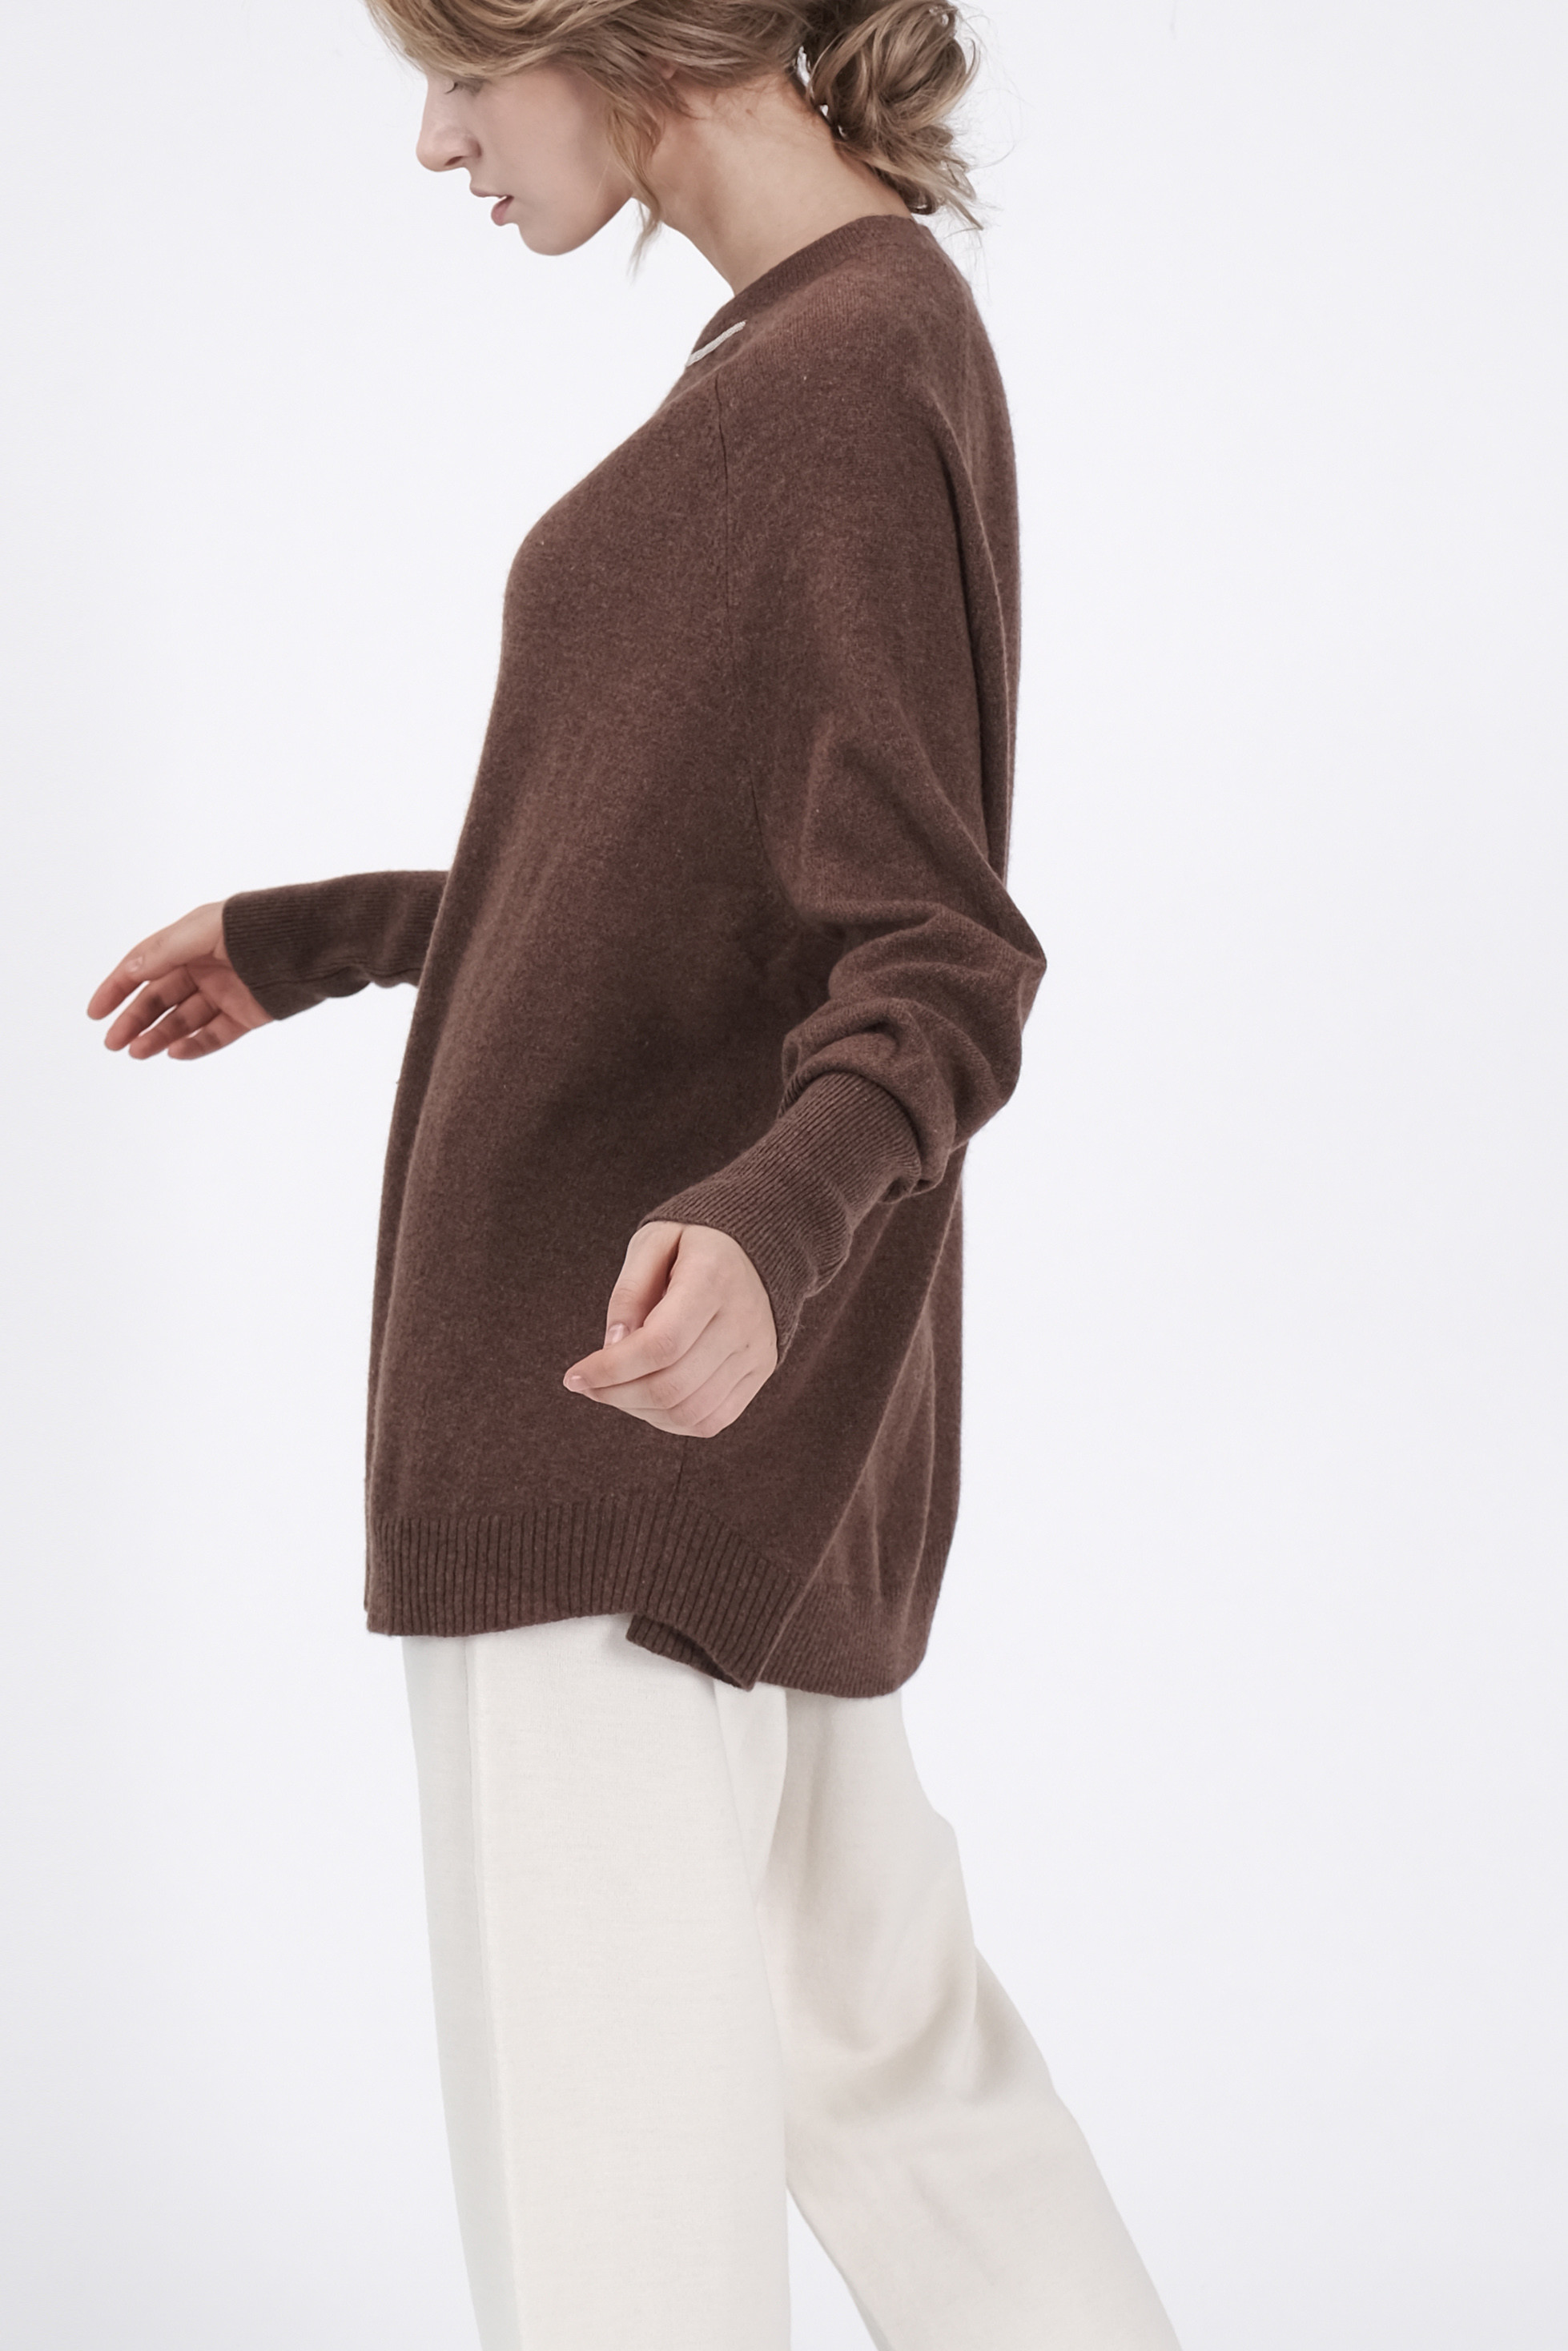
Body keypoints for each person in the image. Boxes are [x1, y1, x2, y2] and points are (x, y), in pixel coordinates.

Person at [87, 4, 1181, 2345]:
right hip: (726, 1429)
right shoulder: (839, 338)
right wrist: (325, 935)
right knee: (906, 2090)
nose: (433, 143)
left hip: (604, 1407)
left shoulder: (839, 375)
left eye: (456, 72)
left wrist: (776, 1234)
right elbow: (680, 894)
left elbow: (937, 955)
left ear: (603, 25)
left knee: (615, 2205)